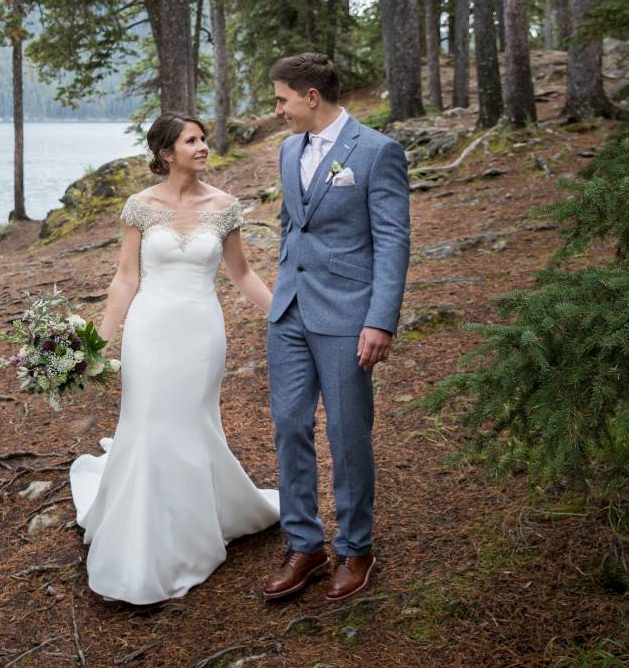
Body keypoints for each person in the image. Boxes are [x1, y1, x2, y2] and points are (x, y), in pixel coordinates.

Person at [69, 111, 279, 605]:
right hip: (149, 330)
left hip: (201, 333)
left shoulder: (225, 206)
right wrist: (98, 342)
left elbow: (242, 274)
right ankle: (140, 538)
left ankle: (191, 529)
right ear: (167, 154)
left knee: (189, 424)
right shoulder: (140, 207)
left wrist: (284, 314)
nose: (203, 146)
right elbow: (125, 279)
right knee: (145, 424)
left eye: (204, 138)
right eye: (192, 140)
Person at [261, 52, 410, 603]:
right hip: (290, 314)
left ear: (311, 97)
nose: (278, 111)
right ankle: (305, 544)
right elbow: (289, 227)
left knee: (347, 434)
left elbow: (394, 240)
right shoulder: (286, 150)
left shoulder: (376, 152)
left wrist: (380, 319)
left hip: (349, 315)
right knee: (288, 426)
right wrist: (281, 289)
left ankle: (356, 547)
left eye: (281, 99)